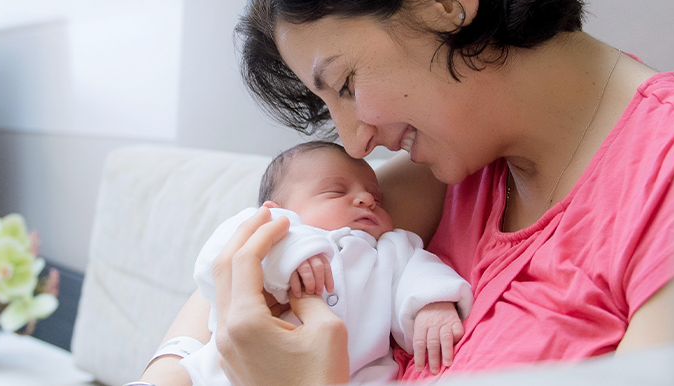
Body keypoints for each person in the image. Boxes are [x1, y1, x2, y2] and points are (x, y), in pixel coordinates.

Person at [141, 0, 674, 384]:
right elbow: (274, 236)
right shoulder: (452, 164)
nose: (356, 143)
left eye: (345, 82)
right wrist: (168, 370)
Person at [179, 141, 473, 385]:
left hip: (355, 375)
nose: (366, 200)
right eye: (337, 191)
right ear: (276, 210)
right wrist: (291, 252)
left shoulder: (389, 249)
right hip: (226, 373)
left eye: (376, 197)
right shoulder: (266, 230)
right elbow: (213, 266)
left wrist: (431, 306)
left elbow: (419, 271)